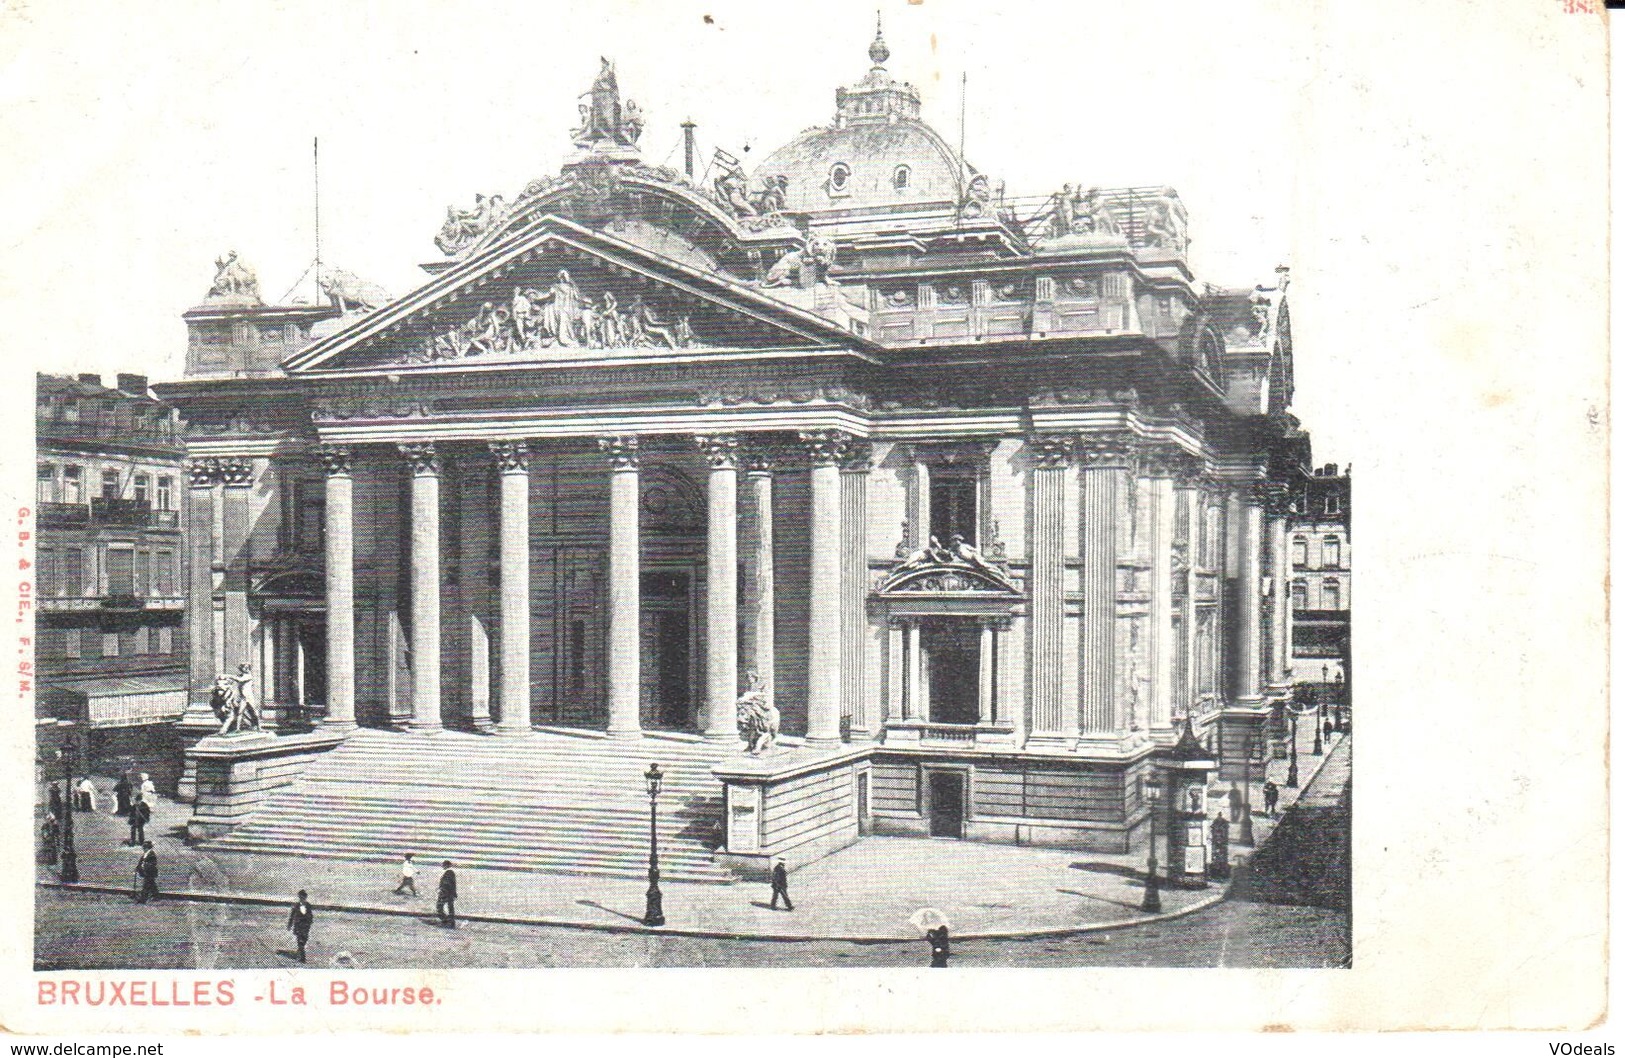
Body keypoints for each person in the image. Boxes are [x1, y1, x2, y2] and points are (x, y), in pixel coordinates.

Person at [287, 890, 315, 963]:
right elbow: (292, 916)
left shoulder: (308, 906)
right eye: (301, 897)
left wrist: (309, 922)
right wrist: (290, 925)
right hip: (299, 926)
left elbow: (310, 916)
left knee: (304, 941)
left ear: (305, 897)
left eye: (303, 897)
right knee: (300, 941)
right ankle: (302, 958)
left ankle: (299, 953)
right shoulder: (296, 906)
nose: (302, 898)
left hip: (305, 927)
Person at [436, 861, 457, 928]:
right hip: (449, 893)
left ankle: (446, 920)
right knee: (450, 907)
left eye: (443, 865)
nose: (442, 866)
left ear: (446, 865)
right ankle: (450, 922)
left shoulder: (449, 872)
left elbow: (447, 884)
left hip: (446, 893)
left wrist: (442, 890)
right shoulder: (450, 872)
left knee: (439, 907)